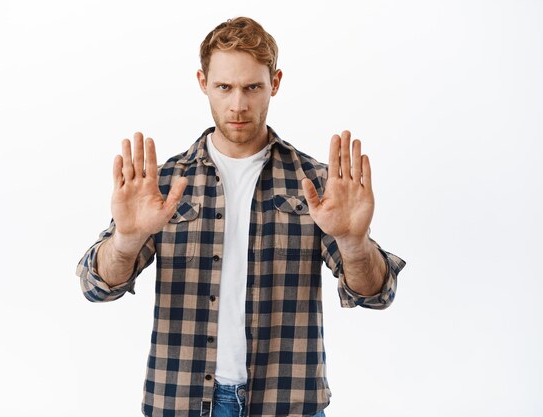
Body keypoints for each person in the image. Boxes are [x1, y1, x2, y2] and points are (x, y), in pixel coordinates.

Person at [76, 16, 405, 417]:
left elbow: (376, 294)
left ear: (276, 83)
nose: (238, 104)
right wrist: (126, 241)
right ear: (202, 83)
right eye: (224, 87)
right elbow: (96, 287)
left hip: (287, 403)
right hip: (180, 401)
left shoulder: (317, 185)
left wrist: (354, 244)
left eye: (252, 87)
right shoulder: (162, 185)